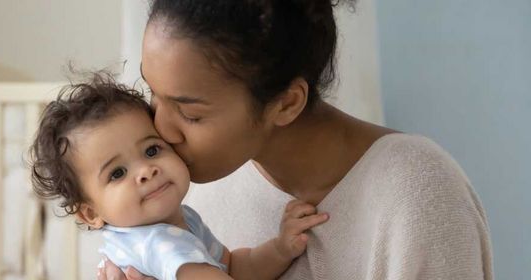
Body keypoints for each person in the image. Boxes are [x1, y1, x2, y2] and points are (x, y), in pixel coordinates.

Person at [100, 0, 493, 279]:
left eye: (190, 113)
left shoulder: (417, 191)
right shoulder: (182, 192)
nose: (161, 131)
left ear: (286, 103)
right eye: (153, 94)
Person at [29, 73, 329, 280]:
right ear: (91, 212)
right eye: (117, 173)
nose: (146, 171)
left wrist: (279, 248)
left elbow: (234, 267)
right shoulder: (158, 243)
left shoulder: (182, 221)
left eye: (151, 150)